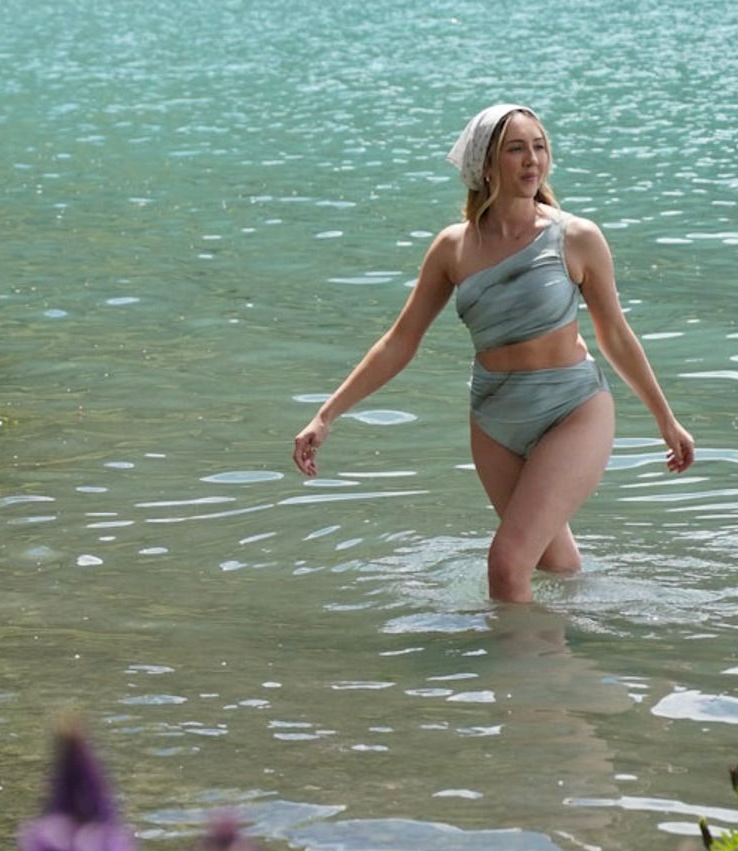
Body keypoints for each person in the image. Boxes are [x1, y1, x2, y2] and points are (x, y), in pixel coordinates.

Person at [291, 102, 695, 600]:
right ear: (485, 164)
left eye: (540, 147)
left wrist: (665, 419)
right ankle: (576, 654)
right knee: (554, 565)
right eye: (516, 149)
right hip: (494, 421)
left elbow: (614, 334)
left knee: (506, 565)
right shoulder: (452, 248)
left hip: (573, 411)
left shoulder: (576, 238)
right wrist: (327, 415)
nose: (533, 160)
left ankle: (523, 672)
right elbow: (400, 341)